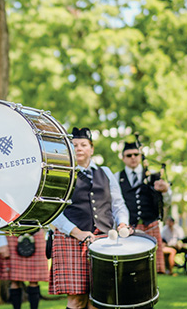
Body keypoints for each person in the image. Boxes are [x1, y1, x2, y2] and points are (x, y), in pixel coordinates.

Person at [49, 127, 130, 309]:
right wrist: (76, 232)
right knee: (77, 300)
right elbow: (52, 212)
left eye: (83, 145)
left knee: (99, 299)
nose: (78, 148)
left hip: (104, 239)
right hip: (71, 239)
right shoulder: (60, 174)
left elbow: (118, 204)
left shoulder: (106, 173)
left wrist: (123, 223)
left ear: (91, 149)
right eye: (74, 145)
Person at [114, 141, 171, 274]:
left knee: (151, 271)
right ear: (123, 158)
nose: (133, 157)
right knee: (131, 267)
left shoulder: (154, 176)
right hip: (128, 228)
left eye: (136, 154)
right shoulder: (116, 177)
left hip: (151, 225)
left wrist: (166, 190)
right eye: (129, 155)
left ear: (140, 156)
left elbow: (167, 202)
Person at [0, 230, 48, 309]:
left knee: (34, 279)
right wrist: (2, 244)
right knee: (14, 280)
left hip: (35, 234)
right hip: (12, 235)